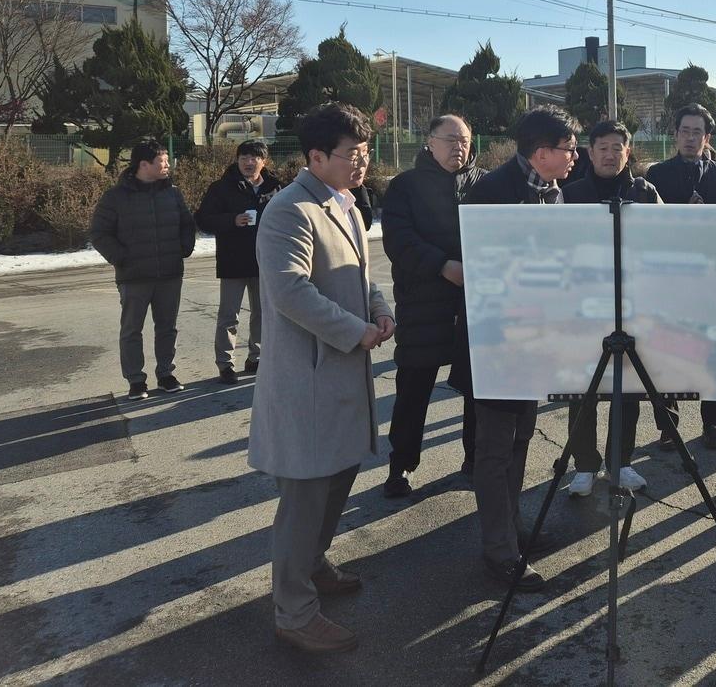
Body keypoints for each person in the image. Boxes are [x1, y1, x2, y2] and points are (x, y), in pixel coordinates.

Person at [247, 104, 394, 654]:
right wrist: (355, 331)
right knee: (306, 496)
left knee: (338, 476)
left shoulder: (348, 204)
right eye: (352, 154)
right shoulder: (289, 210)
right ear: (315, 157)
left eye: (365, 153)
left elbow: (361, 274)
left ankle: (313, 567)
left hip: (342, 374)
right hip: (310, 379)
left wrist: (378, 309)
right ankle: (294, 610)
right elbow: (289, 291)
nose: (362, 163)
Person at [463, 106, 580, 591]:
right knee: (493, 451)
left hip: (536, 340)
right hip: (496, 342)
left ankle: (513, 530)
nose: (576, 156)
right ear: (540, 152)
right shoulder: (491, 194)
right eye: (569, 149)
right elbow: (482, 270)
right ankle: (499, 552)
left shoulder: (553, 193)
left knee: (521, 440)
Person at [381, 114, 486, 500]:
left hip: (474, 302)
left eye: (465, 139)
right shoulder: (405, 186)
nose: (459, 147)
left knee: (478, 390)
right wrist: (442, 266)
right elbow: (399, 240)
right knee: (414, 390)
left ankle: (475, 461)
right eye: (450, 139)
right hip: (423, 301)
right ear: (429, 141)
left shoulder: (483, 182)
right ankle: (400, 465)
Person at [560, 119, 661, 498]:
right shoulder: (570, 194)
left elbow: (658, 246)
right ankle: (584, 465)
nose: (608, 153)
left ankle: (621, 461)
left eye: (616, 147)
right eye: (601, 146)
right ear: (589, 152)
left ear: (628, 152)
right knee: (581, 387)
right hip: (583, 306)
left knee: (628, 389)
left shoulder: (646, 192)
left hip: (633, 304)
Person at [646, 103, 716, 449]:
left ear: (707, 136)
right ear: (676, 134)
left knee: (713, 351)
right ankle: (668, 426)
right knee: (667, 350)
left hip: (713, 277)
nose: (690, 137)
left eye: (697, 131)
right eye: (685, 130)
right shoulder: (658, 175)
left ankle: (713, 423)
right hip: (669, 276)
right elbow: (650, 225)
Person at [90, 139, 196, 400]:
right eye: (162, 161)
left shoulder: (173, 192)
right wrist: (121, 258)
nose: (167, 165)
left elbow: (187, 223)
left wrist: (185, 246)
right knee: (131, 330)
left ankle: (166, 374)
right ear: (144, 164)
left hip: (169, 273)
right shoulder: (115, 197)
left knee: (167, 327)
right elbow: (99, 233)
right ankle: (136, 380)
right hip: (134, 276)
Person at [194, 140, 284, 384]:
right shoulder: (221, 188)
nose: (248, 162)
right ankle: (225, 364)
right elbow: (203, 219)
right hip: (233, 260)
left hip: (264, 261)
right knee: (228, 315)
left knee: (262, 313)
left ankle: (257, 357)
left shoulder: (275, 187)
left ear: (264, 161)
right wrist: (232, 220)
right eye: (244, 157)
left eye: (254, 157)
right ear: (237, 160)